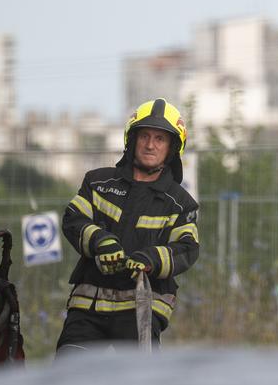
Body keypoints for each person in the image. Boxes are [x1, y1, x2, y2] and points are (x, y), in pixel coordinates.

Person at [55, 98, 200, 356]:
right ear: (131, 140)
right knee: (69, 373)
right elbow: (73, 218)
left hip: (142, 308)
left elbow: (186, 249)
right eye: (144, 135)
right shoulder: (98, 182)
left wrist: (151, 259)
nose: (150, 144)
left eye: (159, 139)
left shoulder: (180, 203)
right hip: (90, 305)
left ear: (172, 148)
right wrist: (99, 241)